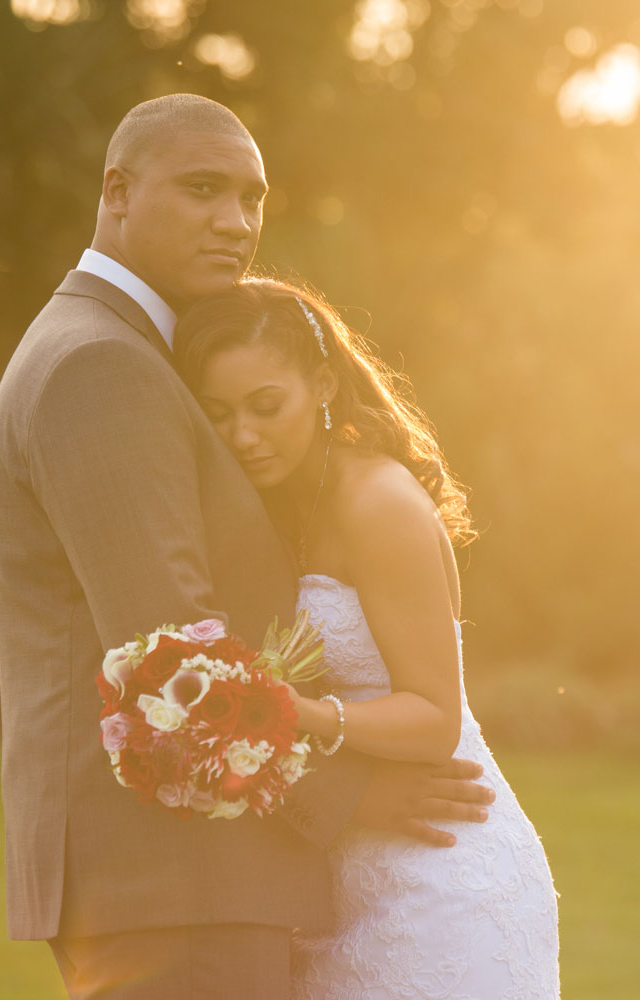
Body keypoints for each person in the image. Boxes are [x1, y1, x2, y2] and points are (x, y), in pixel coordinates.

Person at [0, 94, 493, 1000]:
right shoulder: (103, 365)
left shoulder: (117, 347)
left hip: (178, 881)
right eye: (204, 190)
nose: (237, 223)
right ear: (119, 191)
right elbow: (177, 666)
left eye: (253, 199)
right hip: (172, 878)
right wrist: (351, 802)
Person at [173, 277, 561, 999]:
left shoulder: (377, 504)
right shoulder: (285, 502)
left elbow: (435, 718)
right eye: (217, 414)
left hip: (441, 874)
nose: (243, 437)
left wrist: (288, 711)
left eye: (265, 407)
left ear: (322, 384)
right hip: (344, 878)